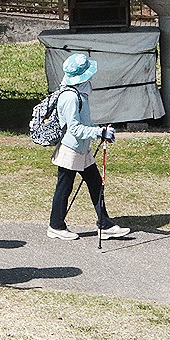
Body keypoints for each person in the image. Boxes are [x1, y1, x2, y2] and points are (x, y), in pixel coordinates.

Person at [48, 53, 130, 241]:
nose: (91, 78)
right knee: (64, 188)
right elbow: (75, 128)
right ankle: (56, 226)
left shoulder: (78, 94)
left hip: (81, 149)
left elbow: (83, 124)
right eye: (88, 75)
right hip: (71, 149)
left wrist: (100, 131)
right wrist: (98, 133)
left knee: (95, 183)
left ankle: (104, 224)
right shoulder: (70, 97)